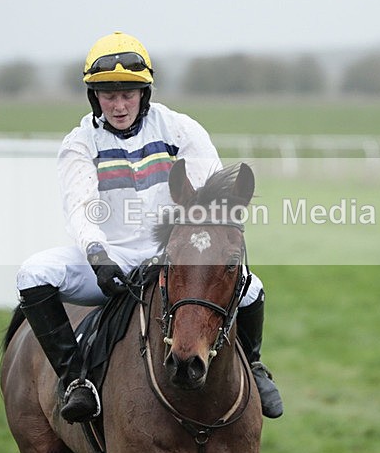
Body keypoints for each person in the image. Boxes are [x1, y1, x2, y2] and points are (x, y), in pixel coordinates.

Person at [16, 31, 283, 423]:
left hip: (170, 256)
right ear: (94, 97)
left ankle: (255, 366)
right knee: (33, 273)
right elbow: (81, 207)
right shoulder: (80, 143)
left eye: (128, 94)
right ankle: (75, 381)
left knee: (251, 286)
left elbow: (209, 197)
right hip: (111, 260)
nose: (119, 106)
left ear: (144, 93)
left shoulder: (180, 129)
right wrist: (97, 255)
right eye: (108, 96)